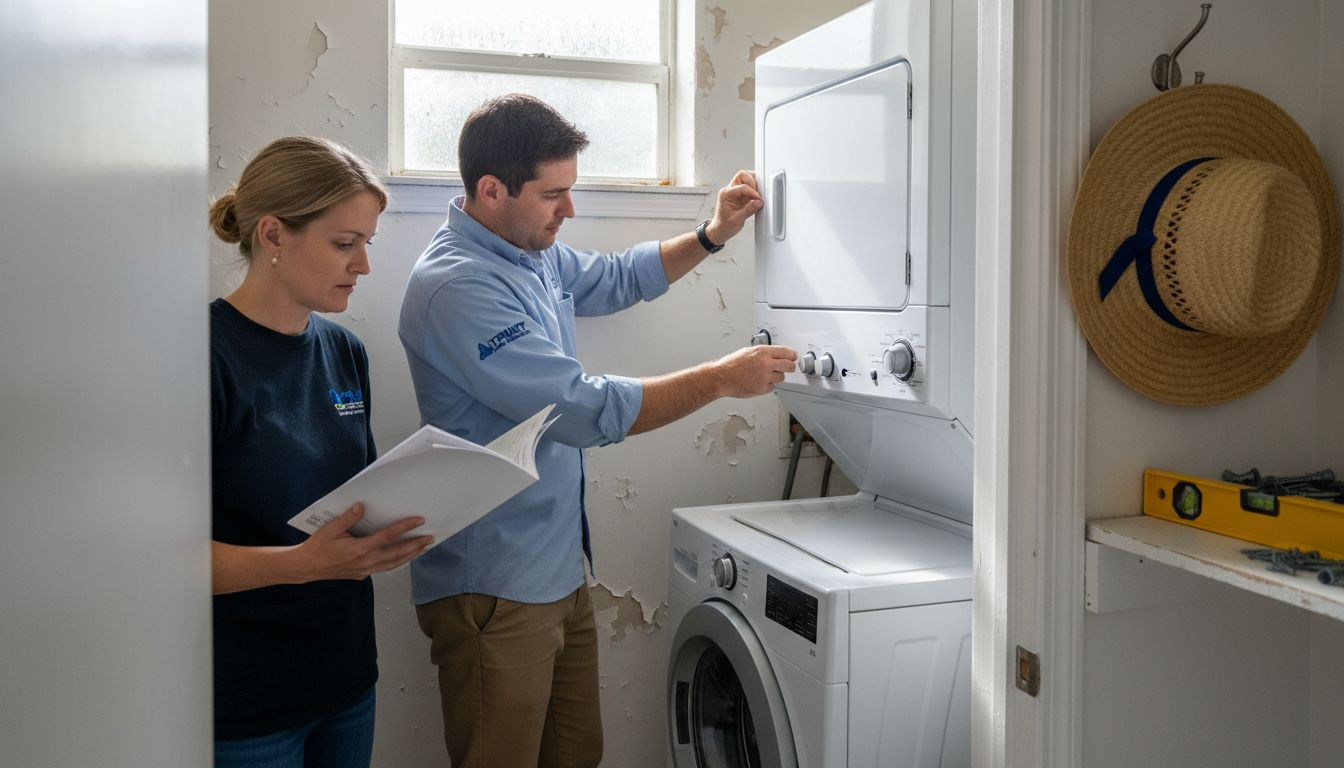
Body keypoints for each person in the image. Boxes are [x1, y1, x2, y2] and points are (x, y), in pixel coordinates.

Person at [397, 93, 797, 767]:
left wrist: (712, 233)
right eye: (555, 194)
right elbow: (580, 409)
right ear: (491, 190)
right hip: (494, 584)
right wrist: (721, 380)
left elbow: (615, 278)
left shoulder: (529, 252)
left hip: (557, 566)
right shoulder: (457, 287)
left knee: (578, 754)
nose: (570, 210)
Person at [208, 135, 435, 768]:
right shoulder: (202, 357)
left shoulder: (343, 351)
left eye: (366, 243)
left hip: (344, 681)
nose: (362, 265)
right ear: (273, 235)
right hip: (245, 705)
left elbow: (351, 500)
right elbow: (155, 560)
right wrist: (300, 563)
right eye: (344, 244)